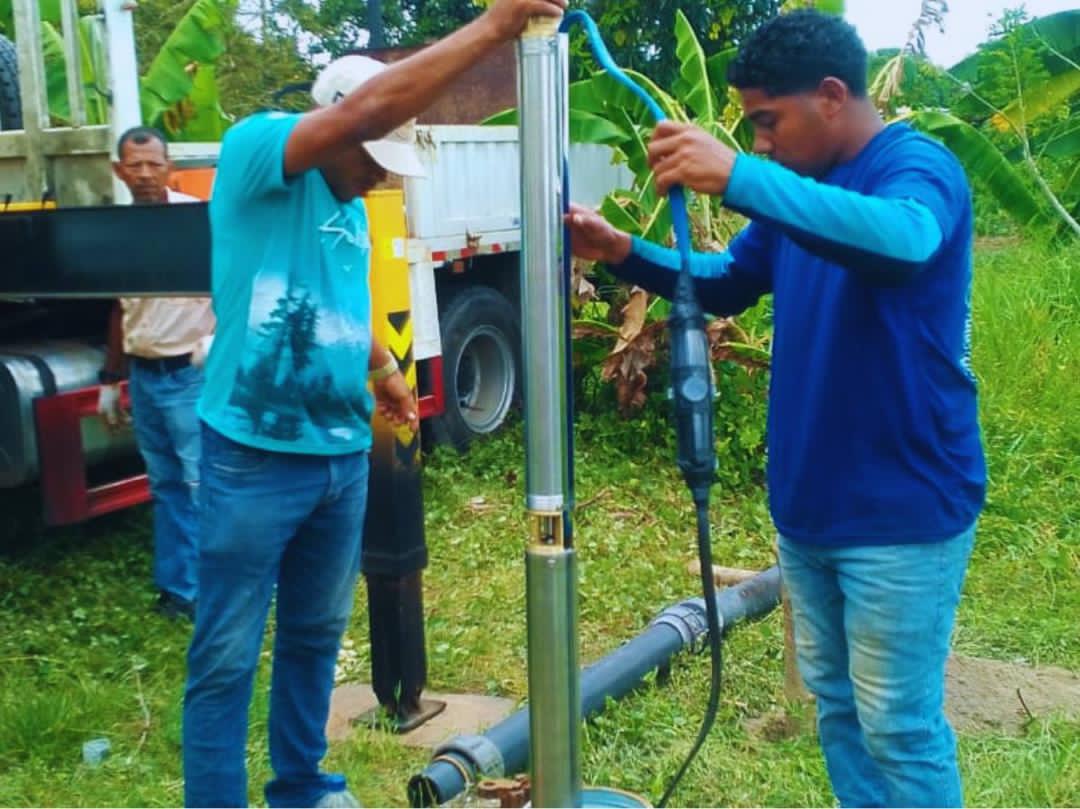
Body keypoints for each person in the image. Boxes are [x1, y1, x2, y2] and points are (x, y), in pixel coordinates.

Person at [567, 10, 986, 808]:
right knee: (838, 707)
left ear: (831, 95)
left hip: (905, 506)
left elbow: (904, 244)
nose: (758, 142)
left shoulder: (916, 167)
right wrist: (624, 251)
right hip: (810, 504)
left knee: (898, 722)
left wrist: (740, 178)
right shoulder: (801, 190)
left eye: (768, 120)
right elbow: (727, 279)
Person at [181, 1, 567, 806]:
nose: (384, 171)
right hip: (252, 457)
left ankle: (302, 784)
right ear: (334, 125)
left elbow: (340, 302)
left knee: (316, 635)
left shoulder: (353, 208)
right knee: (225, 654)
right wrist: (495, 26)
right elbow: (368, 110)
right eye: (376, 153)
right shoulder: (257, 155)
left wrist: (386, 367)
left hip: (337, 457)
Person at [98, 126, 214, 621]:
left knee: (203, 486)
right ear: (119, 171)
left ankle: (221, 589)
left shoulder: (196, 220)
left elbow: (237, 283)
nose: (144, 173)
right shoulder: (117, 232)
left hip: (191, 373)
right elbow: (121, 307)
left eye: (153, 163)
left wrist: (222, 339)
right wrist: (110, 378)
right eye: (134, 164)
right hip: (145, 378)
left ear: (170, 167)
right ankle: (178, 591)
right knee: (165, 487)